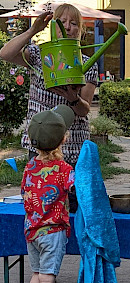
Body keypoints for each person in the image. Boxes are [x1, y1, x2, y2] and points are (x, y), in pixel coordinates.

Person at [0, 4, 98, 167]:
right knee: (39, 190)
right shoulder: (38, 55)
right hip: (40, 145)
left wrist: (72, 98)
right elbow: (4, 54)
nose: (67, 27)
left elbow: (84, 110)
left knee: (71, 192)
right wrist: (33, 30)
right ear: (53, 27)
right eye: (62, 22)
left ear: (80, 30)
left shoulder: (88, 64)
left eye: (73, 23)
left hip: (72, 147)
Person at [20, 104, 75, 283]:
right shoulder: (64, 169)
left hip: (31, 230)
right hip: (52, 232)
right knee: (48, 278)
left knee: (36, 274)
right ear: (64, 139)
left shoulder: (30, 166)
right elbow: (78, 191)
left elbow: (24, 191)